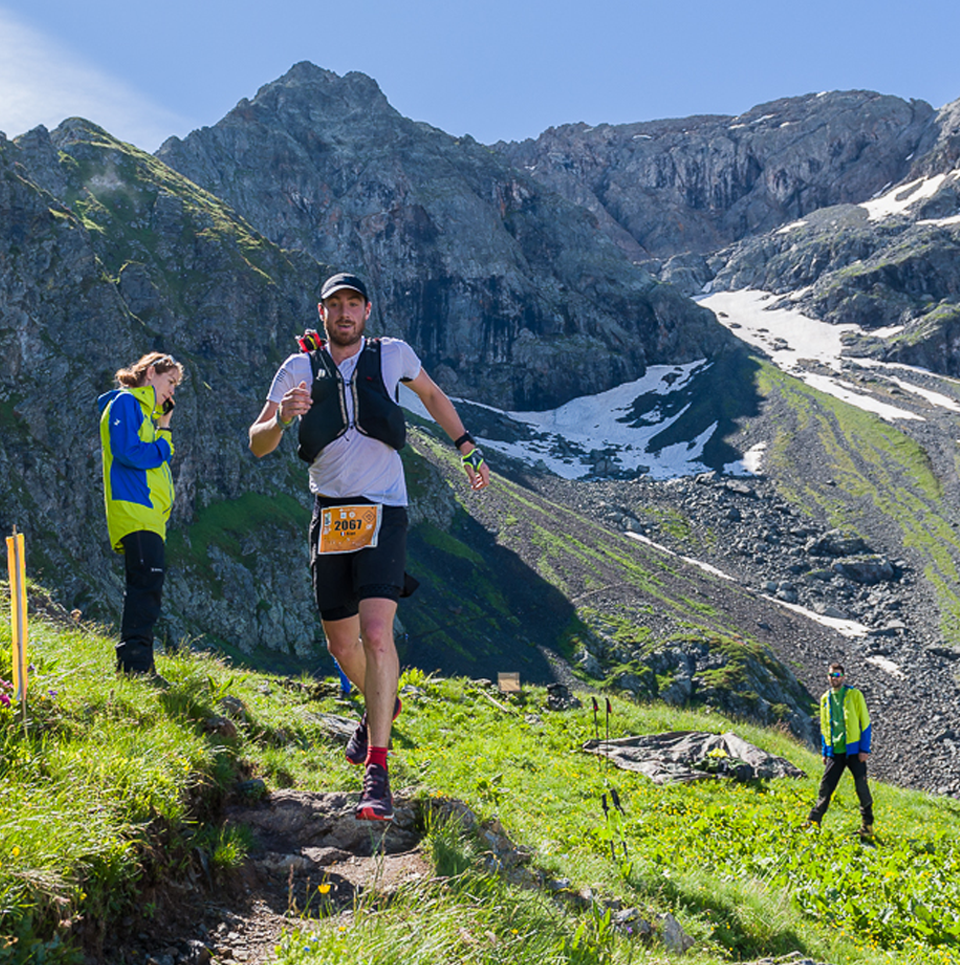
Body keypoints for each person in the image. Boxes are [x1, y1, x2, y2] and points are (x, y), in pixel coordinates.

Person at [249, 272, 490, 821]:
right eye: (335, 306)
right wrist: (284, 416)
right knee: (341, 646)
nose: (344, 313)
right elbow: (257, 442)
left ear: (367, 311)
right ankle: (384, 700)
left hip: (384, 510)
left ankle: (377, 770)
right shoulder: (297, 371)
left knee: (377, 632)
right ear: (321, 313)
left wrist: (467, 447)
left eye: (353, 304)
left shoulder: (392, 355)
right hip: (331, 516)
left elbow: (430, 394)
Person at [98, 352, 183, 678]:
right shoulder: (125, 403)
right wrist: (163, 445)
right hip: (135, 509)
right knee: (145, 586)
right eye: (170, 381)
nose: (172, 391)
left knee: (147, 585)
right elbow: (127, 451)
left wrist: (163, 427)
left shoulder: (148, 416)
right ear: (150, 372)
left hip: (148, 515)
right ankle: (134, 666)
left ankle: (138, 664)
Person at [807, 662, 874, 836]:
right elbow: (824, 727)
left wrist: (864, 749)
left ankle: (867, 826)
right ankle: (813, 821)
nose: (834, 678)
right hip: (835, 752)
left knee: (861, 787)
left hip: (854, 750)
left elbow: (865, 722)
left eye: (837, 675)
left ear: (843, 677)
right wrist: (824, 751)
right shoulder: (825, 699)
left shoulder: (854, 694)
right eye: (831, 675)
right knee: (826, 786)